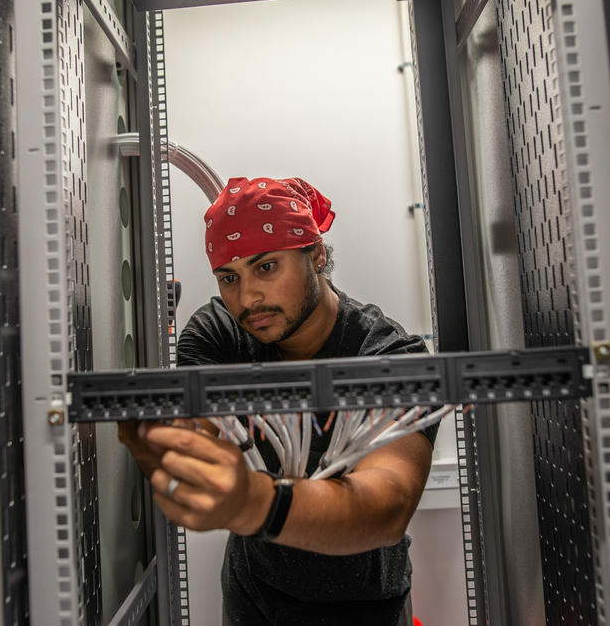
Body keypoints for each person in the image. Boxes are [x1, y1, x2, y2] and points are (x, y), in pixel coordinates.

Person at [119, 177, 436, 626]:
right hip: (254, 599)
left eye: (266, 267)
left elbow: (387, 502)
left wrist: (255, 503)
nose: (247, 298)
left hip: (367, 605)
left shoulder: (384, 353)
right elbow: (193, 434)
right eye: (230, 277)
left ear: (317, 255)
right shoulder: (220, 332)